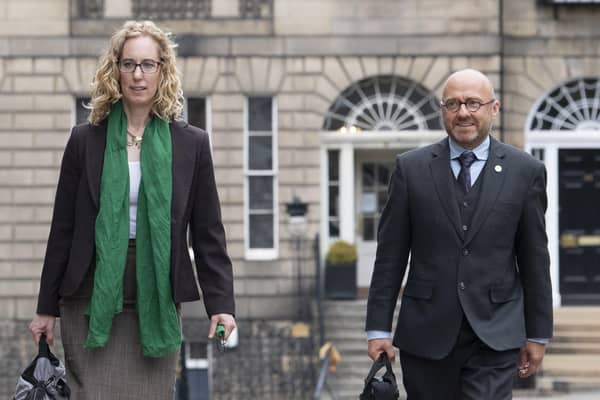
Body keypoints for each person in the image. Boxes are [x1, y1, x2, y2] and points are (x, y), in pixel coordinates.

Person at [29, 20, 236, 399]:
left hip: (155, 292)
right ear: (116, 70)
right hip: (89, 292)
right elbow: (63, 229)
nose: (138, 75)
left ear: (163, 70)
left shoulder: (191, 144)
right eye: (129, 64)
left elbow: (208, 232)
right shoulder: (84, 140)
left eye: (148, 65)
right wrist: (45, 308)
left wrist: (220, 305)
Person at [365, 68, 553, 399]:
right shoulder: (411, 169)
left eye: (472, 103)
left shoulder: (525, 172)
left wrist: (538, 334)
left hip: (495, 334)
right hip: (426, 334)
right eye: (452, 104)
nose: (462, 112)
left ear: (493, 108)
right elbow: (390, 256)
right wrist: (378, 328)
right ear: (443, 111)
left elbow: (535, 259)